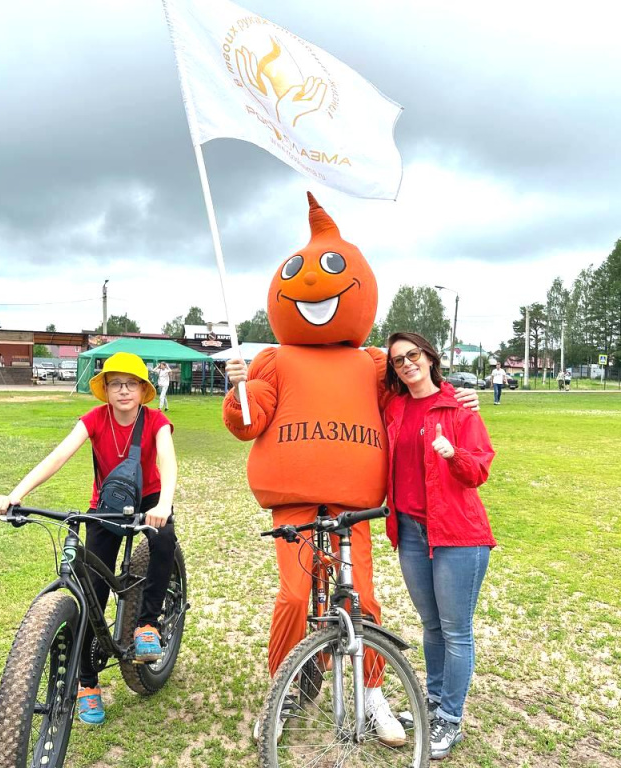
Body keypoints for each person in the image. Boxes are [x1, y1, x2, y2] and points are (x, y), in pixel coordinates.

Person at [223, 192, 480, 744]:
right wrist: (238, 390)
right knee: (295, 596)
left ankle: (371, 693)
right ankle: (289, 683)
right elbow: (248, 422)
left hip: (353, 506)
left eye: (333, 270)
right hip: (293, 503)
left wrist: (457, 401)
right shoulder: (274, 359)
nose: (312, 283)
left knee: (360, 596)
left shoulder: (373, 363)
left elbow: (417, 391)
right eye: (297, 273)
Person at [0, 352, 178, 726]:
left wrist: (165, 504)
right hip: (107, 504)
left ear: (143, 389)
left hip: (150, 499)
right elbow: (58, 456)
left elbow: (168, 463)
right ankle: (86, 683)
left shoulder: (156, 420)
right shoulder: (94, 420)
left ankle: (147, 624)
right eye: (115, 383)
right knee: (92, 592)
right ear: (105, 390)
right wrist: (15, 494)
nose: (123, 390)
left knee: (164, 539)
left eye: (131, 384)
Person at [383, 331, 495, 759]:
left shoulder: (458, 409)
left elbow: (479, 471)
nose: (407, 363)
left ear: (430, 358)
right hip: (410, 530)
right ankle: (432, 701)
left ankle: (450, 718)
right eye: (397, 360)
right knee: (431, 626)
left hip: (458, 535)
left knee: (455, 631)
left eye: (413, 355)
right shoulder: (393, 407)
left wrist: (453, 456)